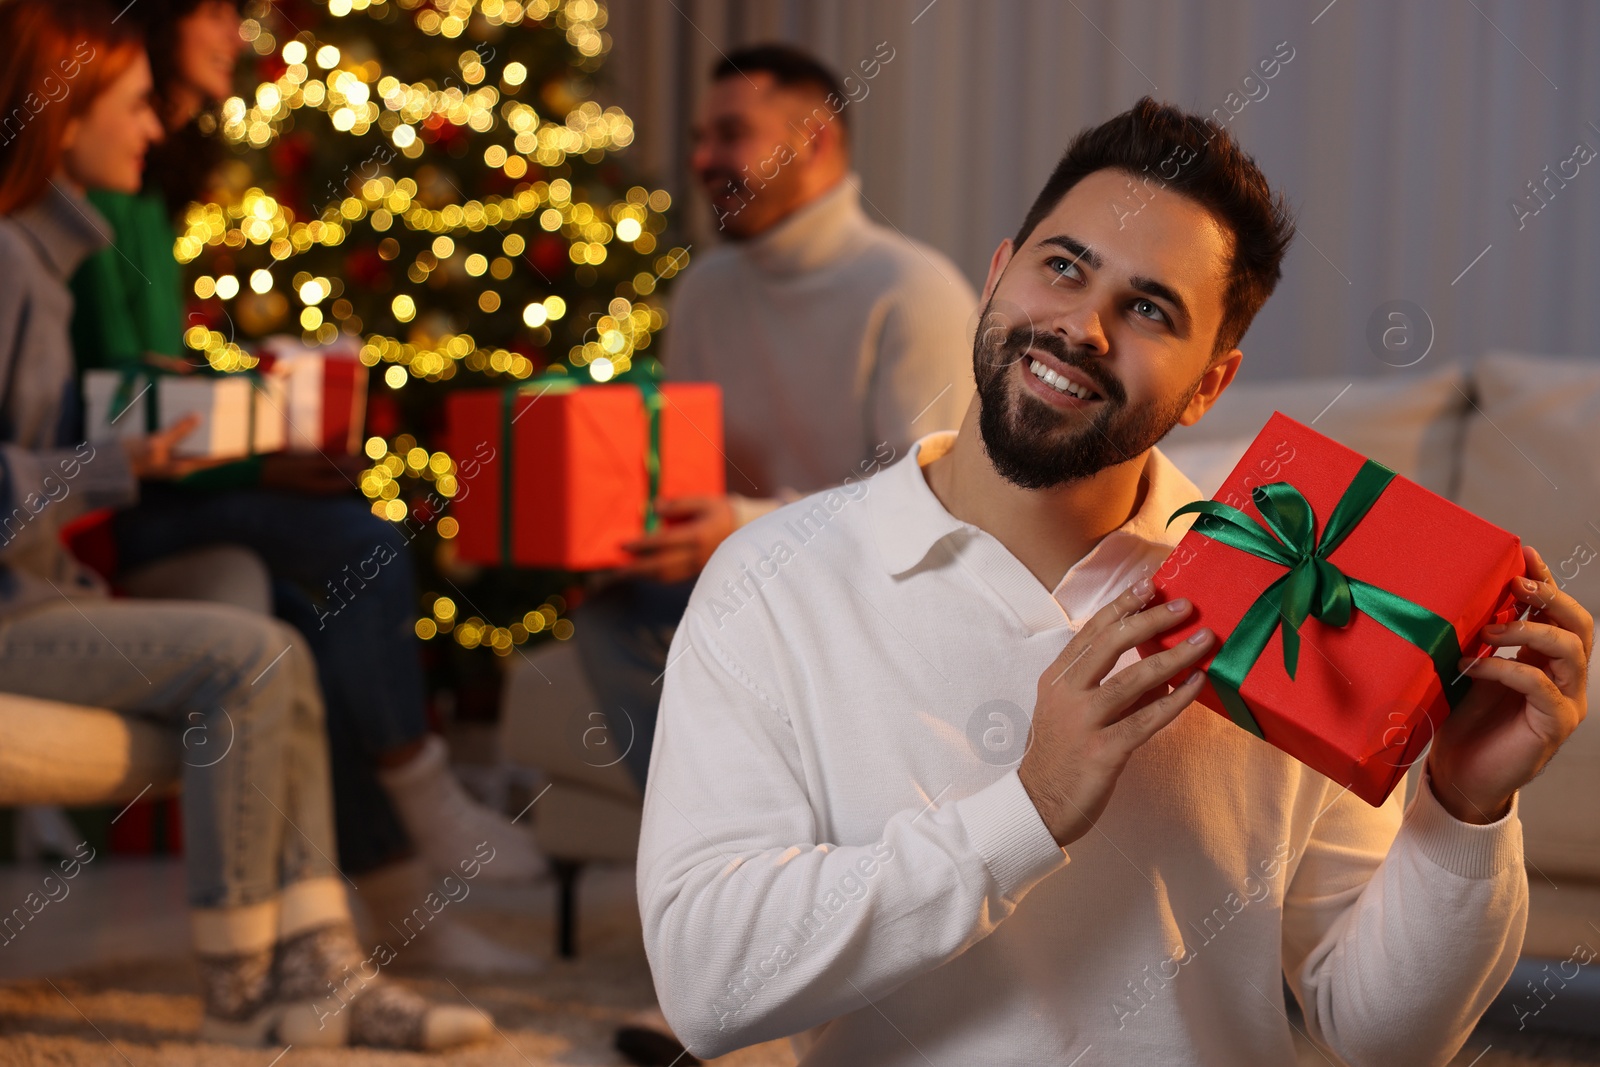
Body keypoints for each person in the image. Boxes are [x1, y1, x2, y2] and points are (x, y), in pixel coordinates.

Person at [636, 97, 1593, 1064]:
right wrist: (1030, 807)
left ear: (1213, 383)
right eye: (1063, 268)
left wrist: (1463, 809)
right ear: (999, 273)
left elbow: (1386, 1039)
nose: (1083, 326)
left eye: (1148, 308)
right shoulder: (772, 582)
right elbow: (708, 985)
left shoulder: (1288, 597)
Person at [0, 1, 494, 1049]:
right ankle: (247, 992)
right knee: (257, 658)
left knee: (279, 656)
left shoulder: (39, 265)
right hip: (15, 612)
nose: (150, 129)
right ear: (60, 114)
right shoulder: (9, 267)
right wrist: (116, 461)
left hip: (41, 596)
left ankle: (327, 971)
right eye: (133, 107)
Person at [571, 43, 978, 789]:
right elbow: (687, 465)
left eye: (729, 134)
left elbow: (927, 511)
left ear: (815, 140)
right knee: (609, 614)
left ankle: (749, 844)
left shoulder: (912, 291)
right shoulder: (704, 291)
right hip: (741, 578)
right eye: (699, 138)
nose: (701, 158)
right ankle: (714, 841)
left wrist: (743, 528)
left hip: (874, 597)